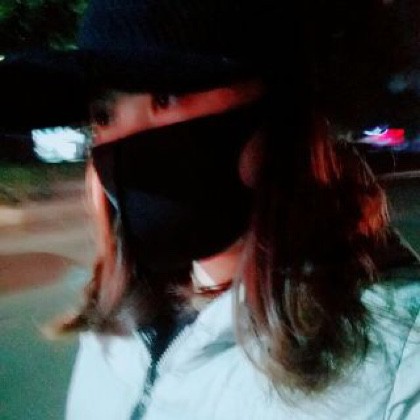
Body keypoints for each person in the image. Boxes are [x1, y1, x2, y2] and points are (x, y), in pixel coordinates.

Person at [2, 0, 420, 419]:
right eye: (104, 114)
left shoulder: (400, 363)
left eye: (166, 96)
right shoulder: (114, 324)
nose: (128, 142)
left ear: (277, 114)